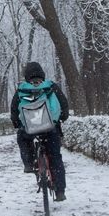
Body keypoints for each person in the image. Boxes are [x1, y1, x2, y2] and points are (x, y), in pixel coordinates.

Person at [11, 61, 68, 201]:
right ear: (42, 74)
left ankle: (29, 163)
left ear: (26, 76)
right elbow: (63, 103)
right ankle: (60, 191)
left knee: (23, 139)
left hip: (30, 129)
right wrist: (62, 117)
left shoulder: (22, 89)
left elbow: (14, 109)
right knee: (55, 157)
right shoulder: (51, 86)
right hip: (50, 128)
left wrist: (17, 124)